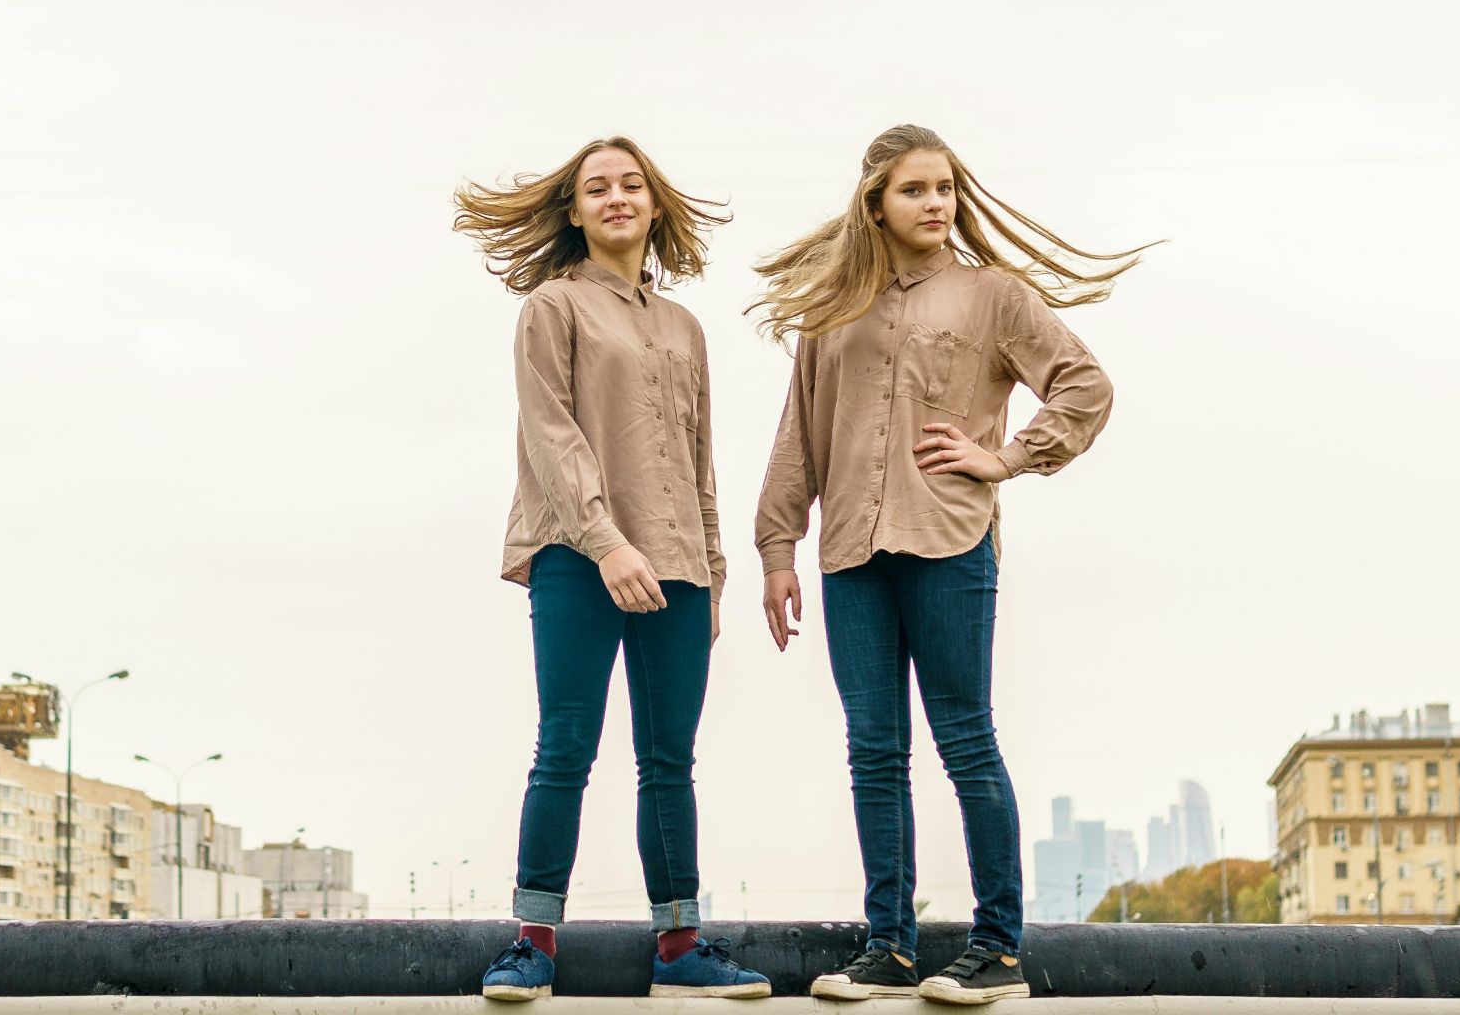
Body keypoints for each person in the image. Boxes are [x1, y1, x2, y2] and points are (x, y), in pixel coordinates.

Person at [751, 124, 1151, 1004]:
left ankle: (998, 949)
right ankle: (887, 948)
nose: (936, 203)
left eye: (945, 188)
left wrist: (1005, 458)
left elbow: (1085, 385)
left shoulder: (992, 296)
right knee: (873, 752)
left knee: (967, 741)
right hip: (851, 553)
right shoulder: (831, 311)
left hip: (950, 545)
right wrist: (778, 548)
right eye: (915, 190)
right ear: (875, 205)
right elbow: (798, 437)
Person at [453, 137, 770, 1001]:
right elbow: (551, 434)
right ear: (576, 210)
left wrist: (712, 571)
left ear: (655, 205)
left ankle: (680, 945)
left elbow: (699, 457)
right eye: (598, 188)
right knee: (566, 745)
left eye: (632, 185)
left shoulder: (684, 328)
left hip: (679, 566)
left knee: (670, 760)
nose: (617, 197)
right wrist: (607, 543)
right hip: (575, 555)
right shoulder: (552, 307)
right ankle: (532, 943)